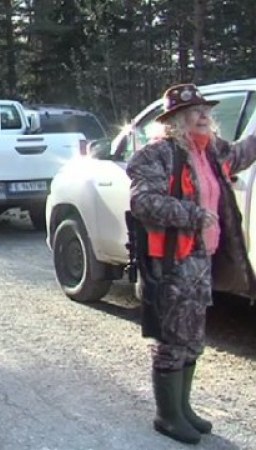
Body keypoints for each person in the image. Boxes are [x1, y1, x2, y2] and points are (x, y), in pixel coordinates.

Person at [127, 83, 256, 444]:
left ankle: (183, 409)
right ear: (175, 122)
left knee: (193, 335)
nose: (203, 117)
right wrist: (193, 214)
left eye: (205, 112)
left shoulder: (211, 150)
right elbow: (143, 202)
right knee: (172, 336)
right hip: (171, 260)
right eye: (194, 113)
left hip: (201, 258)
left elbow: (241, 155)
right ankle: (167, 416)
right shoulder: (158, 155)